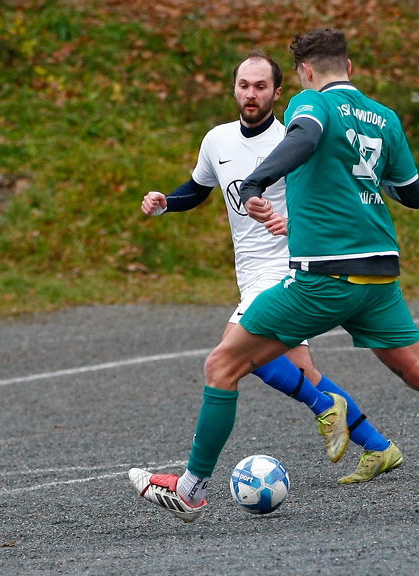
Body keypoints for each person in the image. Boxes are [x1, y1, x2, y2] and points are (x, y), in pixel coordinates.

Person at [129, 28, 419, 523]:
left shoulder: (310, 106)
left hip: (326, 277)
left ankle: (191, 489)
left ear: (302, 74)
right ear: (350, 68)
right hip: (380, 274)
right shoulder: (384, 117)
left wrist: (258, 179)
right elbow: (414, 194)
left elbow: (304, 137)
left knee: (223, 366)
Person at [139, 49, 396, 489]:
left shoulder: (297, 139)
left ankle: (193, 484)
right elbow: (199, 188)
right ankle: (378, 446)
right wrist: (166, 202)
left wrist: (293, 222)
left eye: (261, 86)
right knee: (301, 370)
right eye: (244, 85)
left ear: (278, 92)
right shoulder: (216, 139)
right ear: (234, 89)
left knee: (232, 356)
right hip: (250, 271)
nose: (251, 93)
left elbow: (327, 198)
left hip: (289, 266)